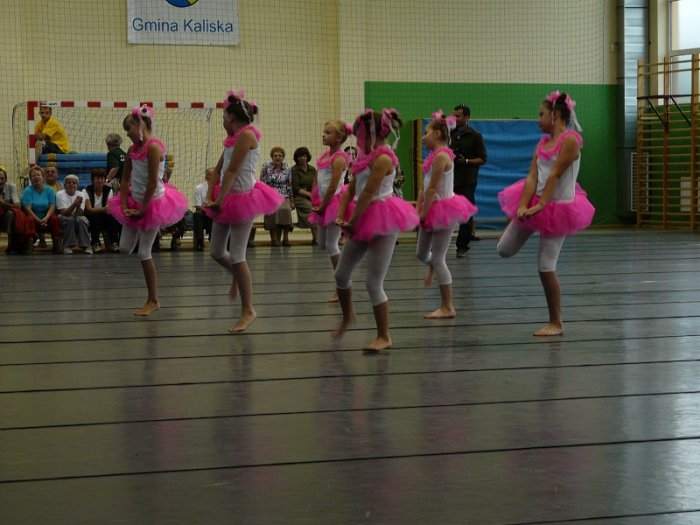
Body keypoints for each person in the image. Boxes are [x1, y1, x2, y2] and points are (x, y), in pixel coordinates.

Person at [497, 91, 595, 336]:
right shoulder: (542, 143)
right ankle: (530, 220)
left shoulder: (571, 141)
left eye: (541, 114)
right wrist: (522, 206)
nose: (537, 119)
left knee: (545, 266)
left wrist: (541, 206)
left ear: (556, 115)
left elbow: (555, 175)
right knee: (504, 249)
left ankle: (556, 322)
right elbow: (533, 177)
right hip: (535, 203)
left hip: (558, 208)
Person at [334, 108, 419, 351]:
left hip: (382, 217)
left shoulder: (383, 158)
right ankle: (348, 315)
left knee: (373, 282)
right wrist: (341, 214)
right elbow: (352, 189)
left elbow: (369, 192)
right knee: (341, 274)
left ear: (373, 132)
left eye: (360, 131)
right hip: (362, 215)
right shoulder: (363, 157)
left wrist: (353, 220)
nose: (357, 136)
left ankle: (384, 335)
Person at [203, 89, 283, 332]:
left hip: (243, 198)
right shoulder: (231, 139)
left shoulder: (247, 135)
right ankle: (238, 276)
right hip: (226, 196)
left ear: (232, 118)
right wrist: (209, 195)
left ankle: (248, 309)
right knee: (217, 251)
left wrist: (219, 199)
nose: (222, 122)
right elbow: (218, 170)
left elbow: (232, 171)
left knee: (238, 255)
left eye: (223, 118)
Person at [107, 105, 188, 316]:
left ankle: (153, 300)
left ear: (141, 126)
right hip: (135, 201)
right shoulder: (132, 150)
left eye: (129, 129)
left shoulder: (153, 148)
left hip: (153, 203)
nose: (127, 134)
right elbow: (125, 179)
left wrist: (143, 210)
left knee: (144, 252)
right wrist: (124, 204)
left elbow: (152, 182)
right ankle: (145, 232)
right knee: (124, 248)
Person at [416, 111, 478, 319]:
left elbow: (433, 187)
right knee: (421, 254)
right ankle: (433, 267)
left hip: (443, 209)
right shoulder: (433, 156)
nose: (423, 137)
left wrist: (423, 214)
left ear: (437, 134)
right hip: (431, 206)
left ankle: (447, 306)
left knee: (439, 258)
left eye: (426, 132)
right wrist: (420, 206)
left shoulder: (442, 156)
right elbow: (425, 187)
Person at [309, 120, 352, 301]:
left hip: (334, 202)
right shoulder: (325, 156)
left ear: (339, 138)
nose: (323, 135)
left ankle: (342, 284)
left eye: (328, 133)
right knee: (322, 243)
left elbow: (333, 185)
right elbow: (317, 179)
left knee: (331, 244)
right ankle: (342, 279)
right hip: (323, 200)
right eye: (324, 131)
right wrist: (315, 198)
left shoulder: (339, 158)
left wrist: (324, 205)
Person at [450, 104, 487, 257]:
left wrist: (466, 161)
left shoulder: (475, 136)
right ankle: (437, 244)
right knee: (443, 210)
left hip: (467, 180)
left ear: (466, 117)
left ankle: (462, 245)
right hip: (450, 179)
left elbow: (483, 159)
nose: (455, 118)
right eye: (454, 115)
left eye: (458, 116)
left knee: (465, 212)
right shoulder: (449, 134)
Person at [20, 166, 62, 253]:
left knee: (54, 219)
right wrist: (38, 220)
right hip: (33, 216)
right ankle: (29, 244)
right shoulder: (27, 191)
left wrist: (46, 218)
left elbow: (52, 206)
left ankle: (57, 244)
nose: (36, 177)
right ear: (30, 179)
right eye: (33, 176)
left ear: (43, 177)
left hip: (46, 216)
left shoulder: (49, 190)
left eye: (38, 175)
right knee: (29, 219)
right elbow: (28, 209)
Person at [259, 146, 294, 246]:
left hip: (284, 195)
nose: (277, 157)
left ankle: (286, 238)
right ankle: (274, 239)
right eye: (275, 155)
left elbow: (289, 185)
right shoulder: (266, 167)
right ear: (272, 157)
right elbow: (262, 183)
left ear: (283, 157)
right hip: (270, 195)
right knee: (272, 212)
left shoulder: (287, 168)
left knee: (286, 210)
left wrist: (291, 200)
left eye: (280, 155)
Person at [85, 168, 120, 252]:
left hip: (105, 216)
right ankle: (95, 243)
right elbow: (89, 209)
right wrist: (103, 209)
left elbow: (109, 209)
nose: (100, 181)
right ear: (92, 180)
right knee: (95, 217)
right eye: (97, 178)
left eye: (102, 178)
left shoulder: (109, 190)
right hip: (91, 217)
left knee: (113, 217)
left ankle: (114, 243)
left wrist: (100, 210)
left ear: (105, 180)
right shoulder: (86, 190)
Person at [56, 174, 92, 254]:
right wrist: (75, 204)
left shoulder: (81, 194)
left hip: (77, 216)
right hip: (63, 217)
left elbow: (80, 213)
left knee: (82, 220)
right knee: (69, 219)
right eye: (69, 183)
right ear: (64, 185)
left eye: (74, 183)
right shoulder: (59, 194)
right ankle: (68, 246)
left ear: (77, 185)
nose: (71, 184)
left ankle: (86, 246)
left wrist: (78, 206)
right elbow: (64, 213)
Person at [291, 146, 317, 244]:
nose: (302, 158)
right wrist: (309, 194)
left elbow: (315, 184)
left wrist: (314, 194)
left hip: (312, 195)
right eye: (300, 156)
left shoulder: (312, 169)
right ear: (296, 158)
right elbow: (296, 188)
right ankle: (316, 237)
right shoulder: (294, 170)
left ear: (307, 157)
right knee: (311, 208)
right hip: (299, 197)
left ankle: (317, 237)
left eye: (304, 156)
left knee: (320, 209)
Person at [0, 166, 21, 254]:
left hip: (6, 216)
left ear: (6, 179)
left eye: (2, 178)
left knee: (10, 214)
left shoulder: (11, 187)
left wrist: (3, 203)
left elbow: (18, 206)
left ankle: (11, 245)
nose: (0, 181)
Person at [192, 170, 213, 251]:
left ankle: (213, 239)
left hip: (215, 213)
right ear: (206, 176)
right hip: (204, 212)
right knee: (197, 215)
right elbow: (198, 205)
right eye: (211, 175)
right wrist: (207, 209)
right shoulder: (199, 188)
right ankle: (199, 240)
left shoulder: (219, 187)